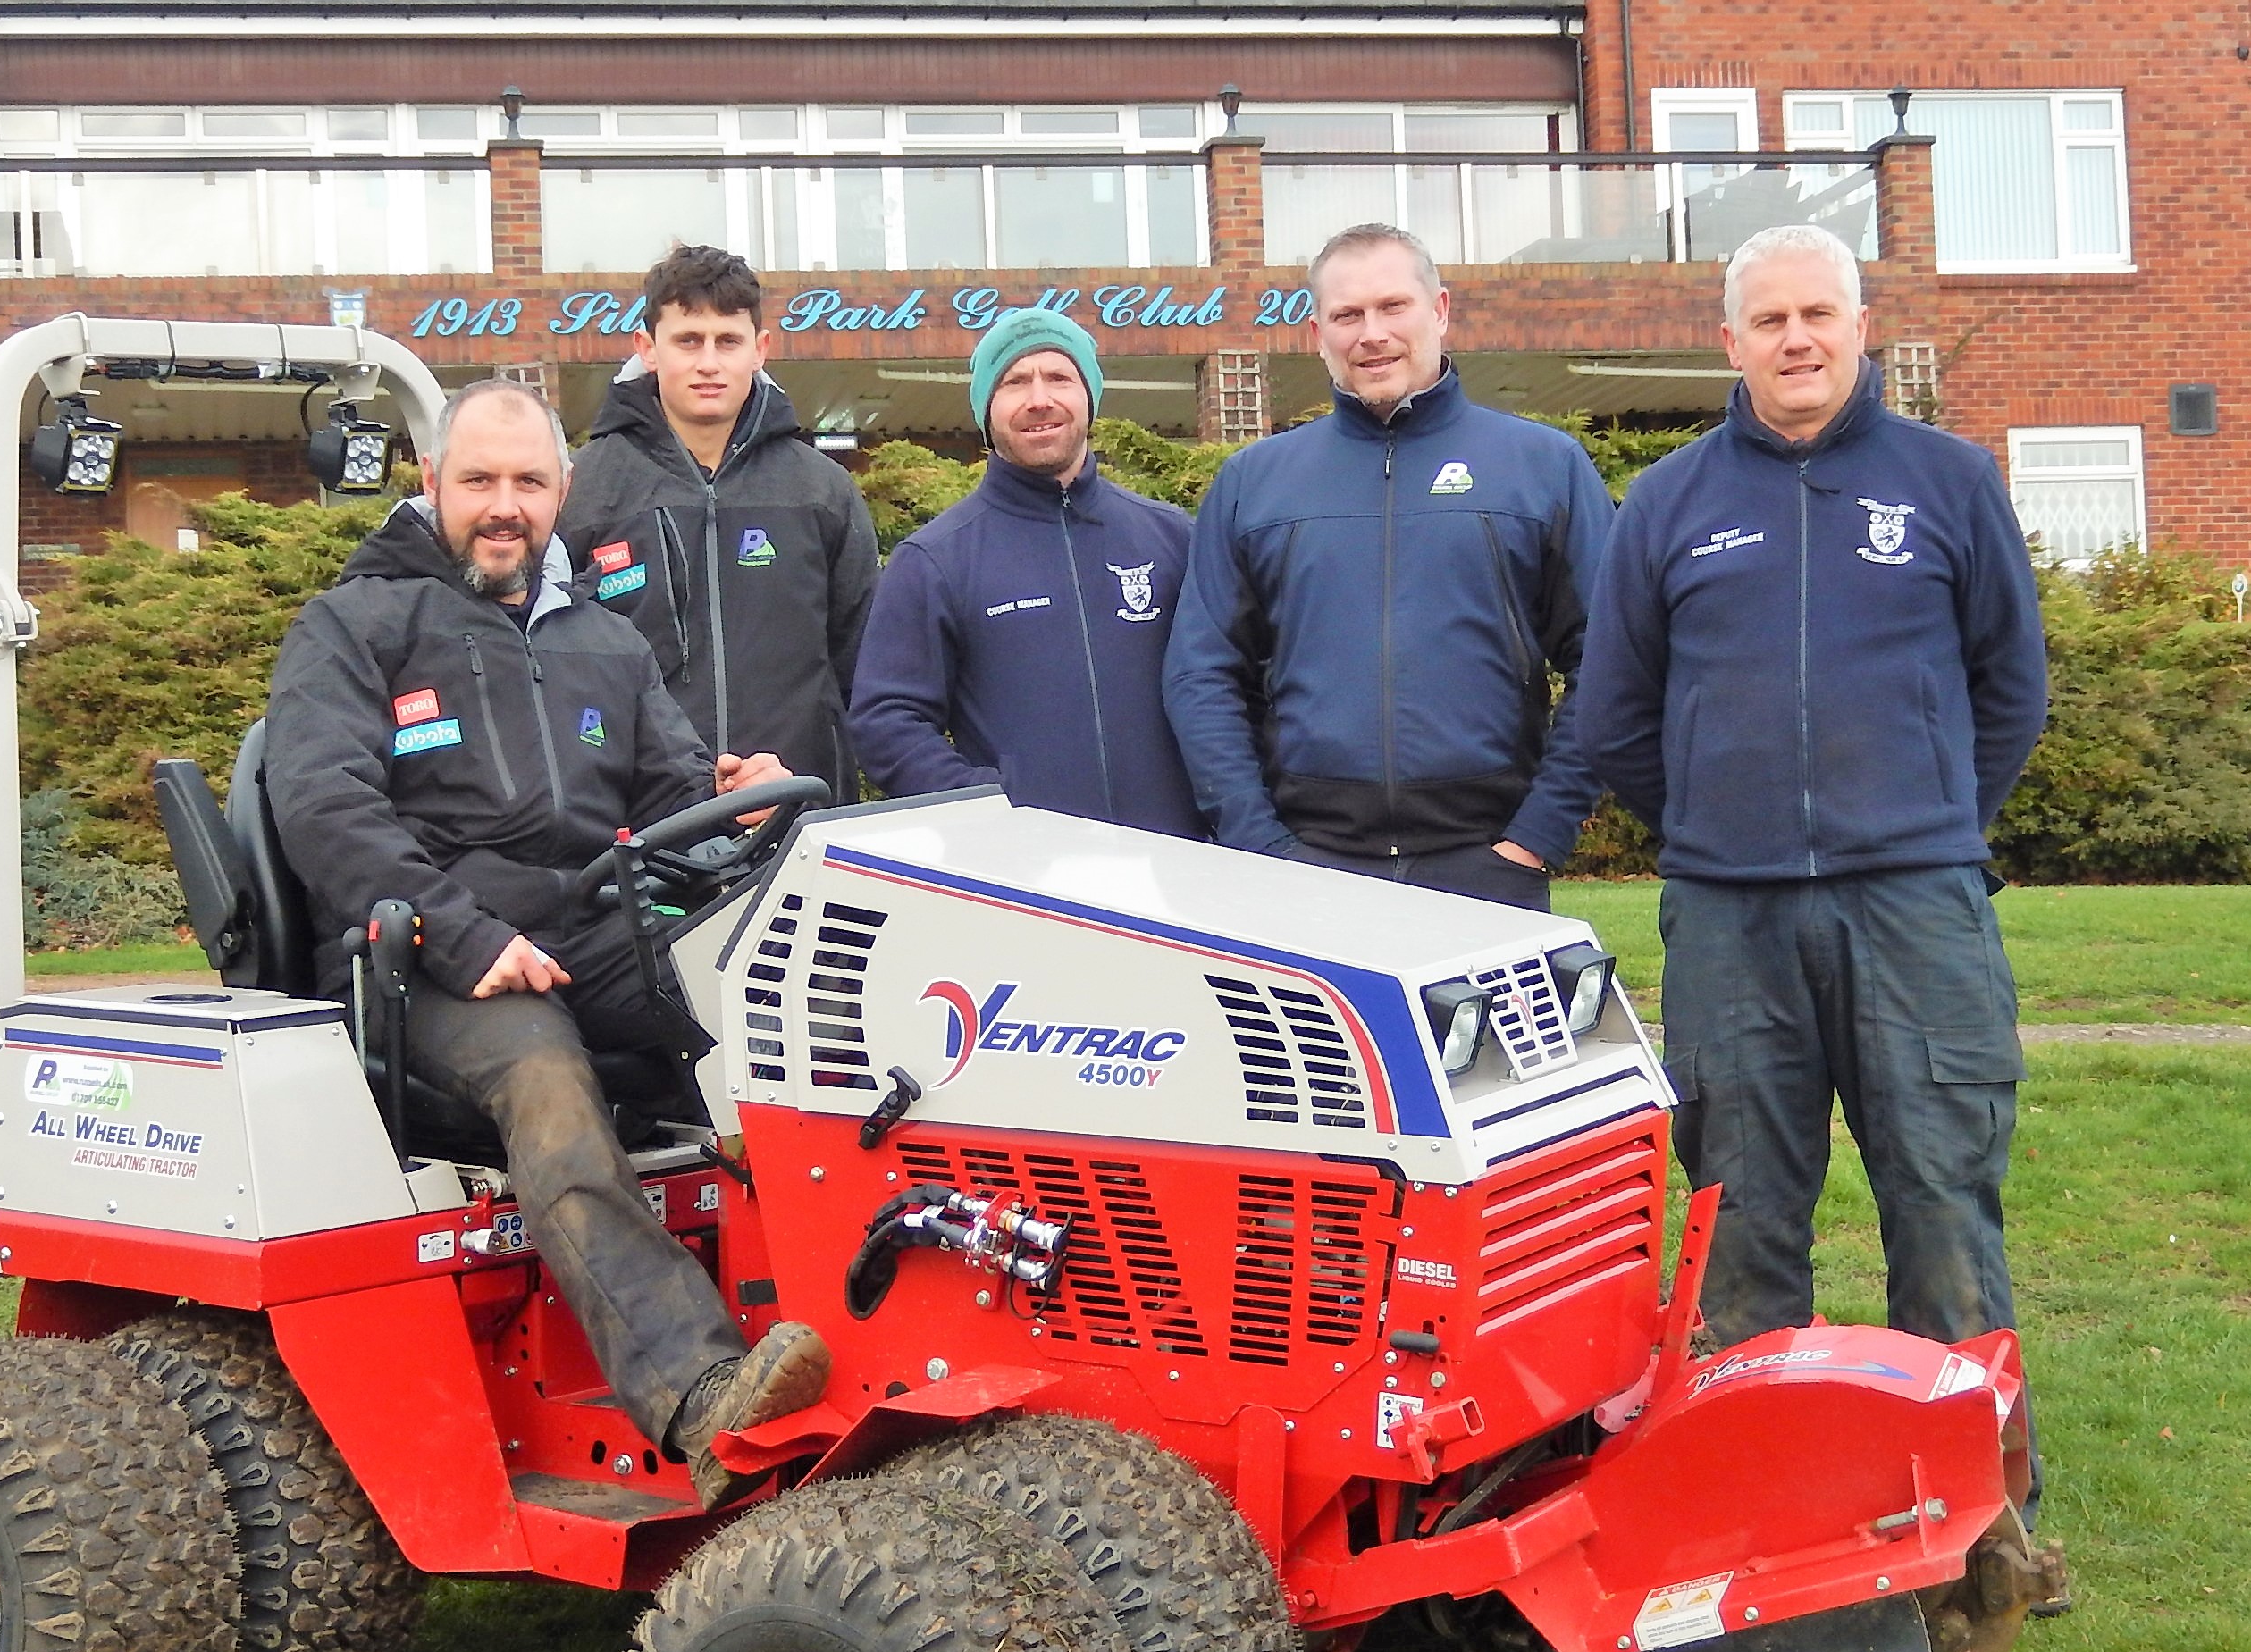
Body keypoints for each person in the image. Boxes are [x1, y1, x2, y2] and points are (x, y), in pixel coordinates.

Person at [264, 378, 829, 1508]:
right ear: (431, 486)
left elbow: (675, 797)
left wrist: (742, 800)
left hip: (594, 926)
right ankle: (701, 1393)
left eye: (528, 482)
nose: (504, 505)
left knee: (779, 1020)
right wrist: (463, 936)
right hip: (419, 959)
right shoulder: (356, 626)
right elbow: (325, 806)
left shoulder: (605, 642)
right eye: (479, 481)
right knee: (546, 1076)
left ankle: (852, 1329)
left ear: (563, 495)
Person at [1569, 224, 2048, 1492]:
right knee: (1743, 1216)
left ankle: (1975, 1506)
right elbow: (1616, 713)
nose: (1796, 340)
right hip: (1731, 920)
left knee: (1942, 1195)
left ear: (1859, 327)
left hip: (1917, 908)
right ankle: (1759, 1504)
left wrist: (1930, 811)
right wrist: (1722, 832)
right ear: (1729, 344)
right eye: (1769, 321)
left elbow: (2011, 686)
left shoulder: (1948, 481)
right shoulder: (1668, 503)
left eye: (1817, 316)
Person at [1161, 222, 1612, 908]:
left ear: (1439, 311)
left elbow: (1610, 660)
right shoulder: (1255, 484)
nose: (1371, 333)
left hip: (1488, 871)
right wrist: (1258, 843)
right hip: (1305, 874)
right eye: (1347, 315)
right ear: (1319, 334)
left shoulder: (1542, 468)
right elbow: (1202, 672)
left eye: (1392, 306)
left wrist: (1538, 835)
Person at [846, 306, 1202, 835]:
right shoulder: (935, 559)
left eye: (1059, 376)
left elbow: (1229, 691)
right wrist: (988, 808)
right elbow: (886, 721)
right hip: (1024, 884)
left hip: (1177, 867)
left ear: (1089, 397)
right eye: (1015, 381)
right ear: (987, 409)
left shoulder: (1172, 537)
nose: (1040, 398)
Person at [559, 245, 878, 801]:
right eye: (688, 340)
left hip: (796, 810)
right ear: (647, 348)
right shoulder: (582, 490)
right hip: (636, 822)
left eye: (727, 341)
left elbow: (865, 671)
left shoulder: (823, 491)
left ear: (760, 350)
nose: (709, 363)